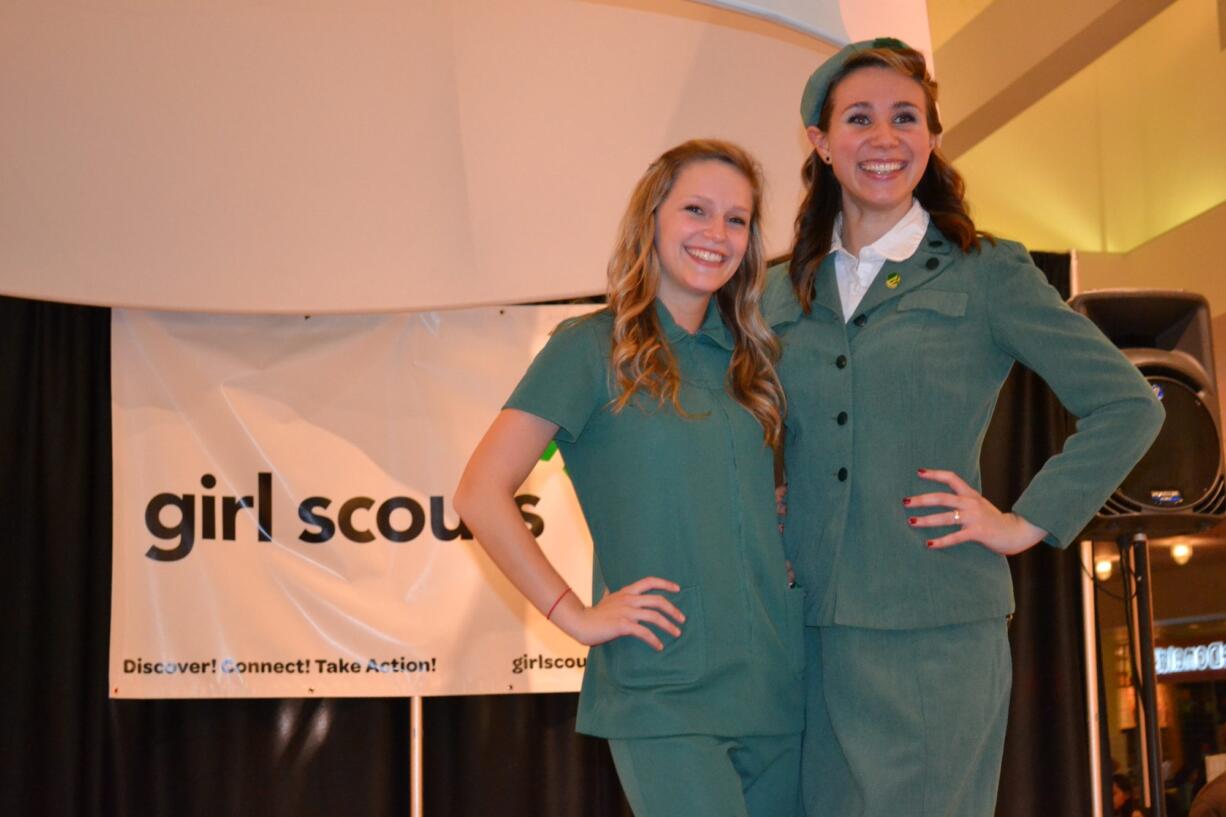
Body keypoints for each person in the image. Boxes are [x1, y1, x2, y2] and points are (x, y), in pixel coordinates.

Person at [762, 38, 1165, 817]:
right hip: (803, 627)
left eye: (906, 117)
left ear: (933, 139)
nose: (885, 138)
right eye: (860, 118)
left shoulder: (988, 272)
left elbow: (1128, 403)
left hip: (936, 630)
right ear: (820, 141)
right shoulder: (779, 290)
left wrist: (1025, 520)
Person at [455, 139, 805, 817]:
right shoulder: (590, 347)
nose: (717, 234)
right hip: (664, 693)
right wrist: (575, 616)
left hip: (776, 689)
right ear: (651, 219)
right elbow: (479, 490)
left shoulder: (752, 361)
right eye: (697, 210)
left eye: (737, 220)